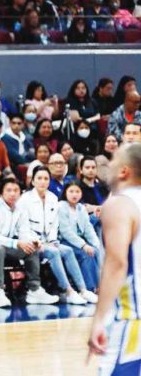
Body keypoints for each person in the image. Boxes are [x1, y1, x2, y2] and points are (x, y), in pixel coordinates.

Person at [87, 143, 141, 375]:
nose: (109, 162)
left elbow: (117, 264)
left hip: (132, 318)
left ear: (124, 171)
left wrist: (98, 319)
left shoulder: (119, 204)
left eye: (115, 158)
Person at [18, 166, 96, 305]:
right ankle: (69, 291)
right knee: (54, 252)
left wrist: (52, 240)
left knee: (68, 250)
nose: (43, 181)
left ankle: (83, 290)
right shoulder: (25, 199)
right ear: (33, 181)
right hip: (32, 243)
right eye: (39, 178)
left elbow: (54, 224)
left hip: (50, 241)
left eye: (46, 178)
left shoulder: (53, 198)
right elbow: (23, 227)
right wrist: (37, 242)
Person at [0, 177, 59, 307]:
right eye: (9, 190)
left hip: (6, 245)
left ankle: (34, 290)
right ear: (1, 193)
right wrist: (16, 243)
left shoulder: (19, 209)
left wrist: (33, 241)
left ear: (20, 192)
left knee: (30, 248)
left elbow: (24, 231)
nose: (12, 193)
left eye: (16, 190)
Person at [58, 181, 100, 291]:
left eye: (77, 191)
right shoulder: (61, 206)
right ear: (65, 193)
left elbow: (88, 229)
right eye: (71, 191)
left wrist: (97, 245)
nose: (74, 194)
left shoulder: (81, 208)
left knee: (97, 252)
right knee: (86, 254)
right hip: (64, 241)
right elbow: (65, 232)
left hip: (79, 241)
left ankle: (100, 285)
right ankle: (90, 288)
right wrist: (83, 245)